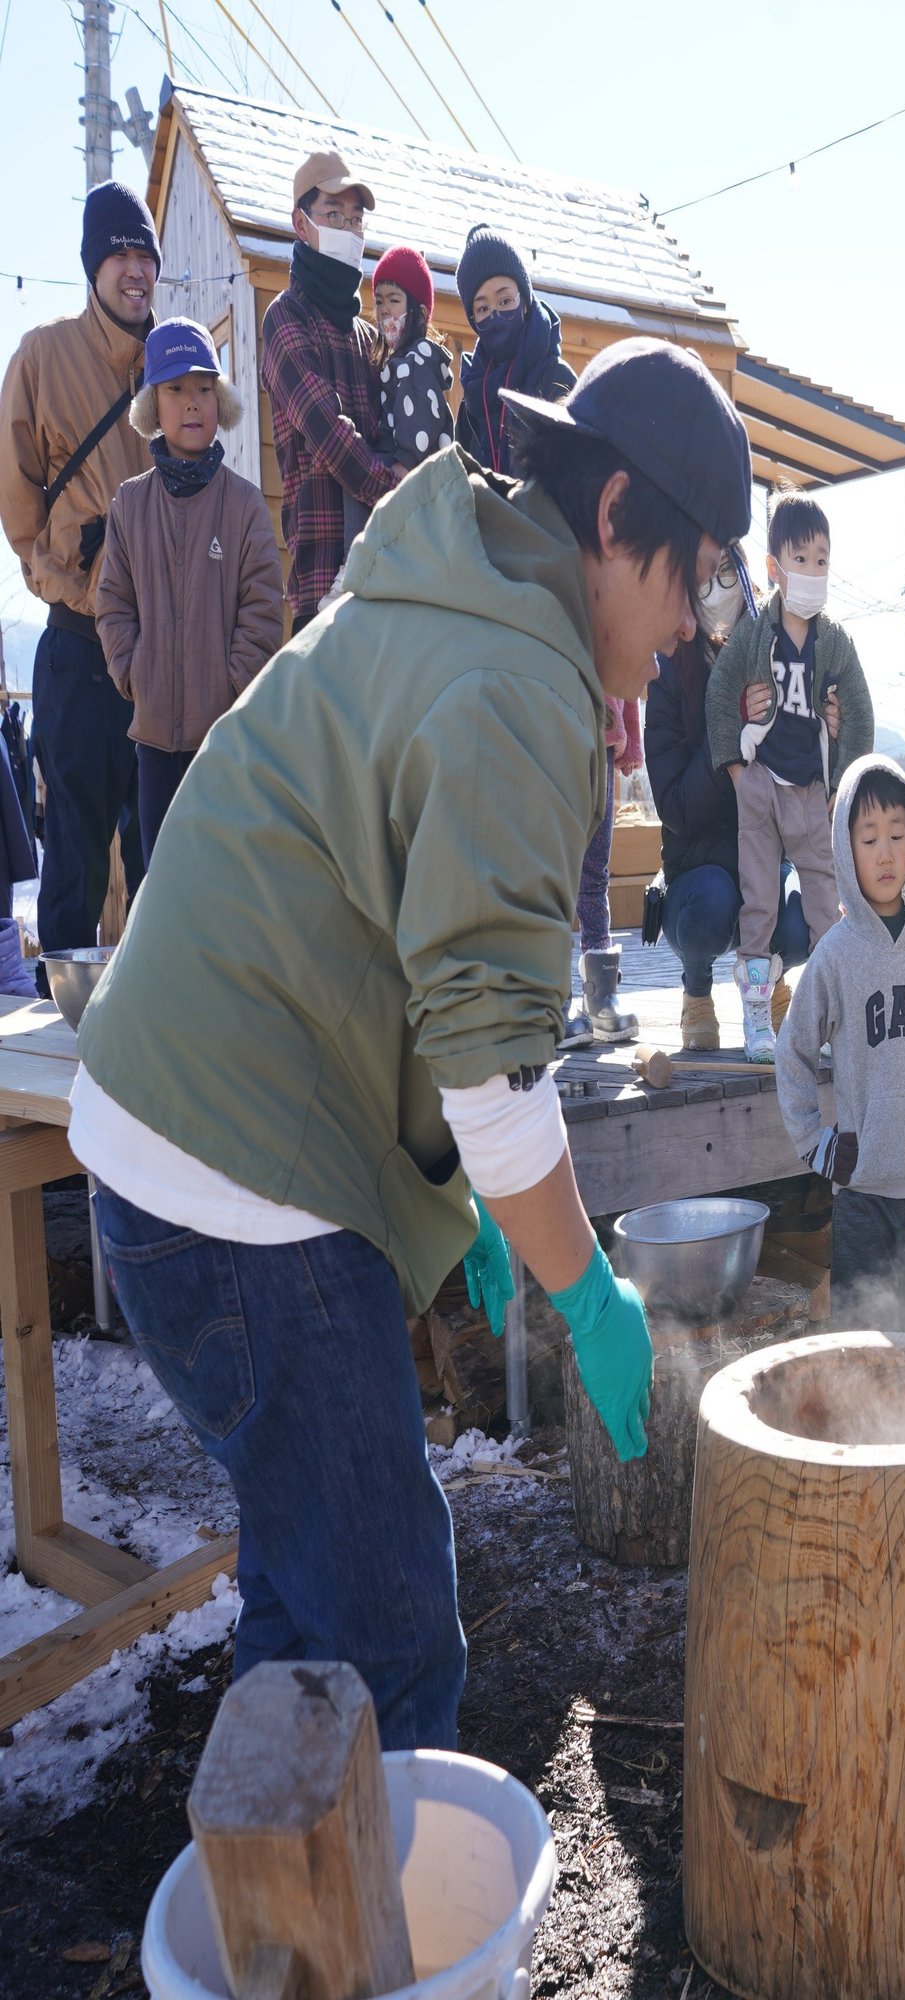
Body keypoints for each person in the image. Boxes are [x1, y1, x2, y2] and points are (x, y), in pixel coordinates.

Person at [69, 338, 753, 1749]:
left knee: (305, 1593)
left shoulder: (455, 584)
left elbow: (395, 927)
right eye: (696, 577)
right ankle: (387, 1893)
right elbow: (494, 1078)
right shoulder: (520, 682)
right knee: (388, 1641)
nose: (694, 626)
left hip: (169, 1128)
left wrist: (467, 1199)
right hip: (240, 1182)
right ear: (614, 514)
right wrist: (589, 1291)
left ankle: (272, 1873)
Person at [0, 181, 158, 951]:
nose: (135, 269)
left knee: (160, 854)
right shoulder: (44, 353)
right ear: (94, 263)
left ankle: (155, 1004)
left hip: (160, 654)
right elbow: (17, 491)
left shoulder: (174, 359)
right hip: (79, 640)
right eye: (119, 253)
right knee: (74, 862)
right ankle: (62, 1004)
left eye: (145, 254)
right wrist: (61, 575)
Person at [774, 755, 905, 1336]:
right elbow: (792, 1053)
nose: (885, 854)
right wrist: (815, 1143)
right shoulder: (835, 955)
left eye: (897, 834)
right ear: (847, 851)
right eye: (869, 839)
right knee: (860, 1352)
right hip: (860, 1195)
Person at [95, 320, 282, 864]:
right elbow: (113, 603)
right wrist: (134, 672)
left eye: (204, 387)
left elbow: (264, 609)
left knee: (219, 882)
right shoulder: (130, 504)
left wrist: (231, 685)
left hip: (223, 742)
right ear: (153, 405)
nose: (192, 402)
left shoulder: (244, 504)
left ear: (220, 400)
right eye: (175, 388)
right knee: (159, 879)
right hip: (152, 742)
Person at [705, 494, 874, 1060]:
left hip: (811, 794)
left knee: (829, 908)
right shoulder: (756, 631)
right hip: (761, 786)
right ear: (774, 567)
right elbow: (720, 693)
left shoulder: (835, 640)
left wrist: (841, 784)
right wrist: (737, 770)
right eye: (801, 559)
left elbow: (860, 711)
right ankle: (757, 1020)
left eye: (822, 560)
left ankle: (830, 1021)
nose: (812, 571)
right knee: (759, 904)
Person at [642, 546, 809, 1050]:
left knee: (802, 917)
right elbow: (675, 807)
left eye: (725, 573)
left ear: (744, 573)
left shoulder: (777, 651)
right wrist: (729, 731)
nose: (716, 590)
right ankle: (696, 991)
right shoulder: (669, 665)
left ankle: (772, 980)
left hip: (766, 857)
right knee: (711, 906)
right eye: (701, 578)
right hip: (697, 869)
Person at [262, 149, 404, 625]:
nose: (349, 229)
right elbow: (329, 433)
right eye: (334, 215)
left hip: (385, 584)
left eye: (356, 219)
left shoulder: (368, 336)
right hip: (322, 587)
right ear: (301, 224)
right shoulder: (285, 317)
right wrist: (400, 490)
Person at [454, 224, 576, 476]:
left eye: (505, 301)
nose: (496, 315)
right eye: (482, 309)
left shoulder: (557, 380)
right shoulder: (473, 397)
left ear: (525, 302)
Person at [561, 688, 645, 1048]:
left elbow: (627, 662)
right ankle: (550, 996)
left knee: (595, 870)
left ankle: (600, 995)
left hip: (604, 730)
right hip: (553, 723)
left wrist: (631, 737)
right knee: (553, 866)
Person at [368, 246, 455, 471]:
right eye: (379, 301)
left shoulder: (416, 362)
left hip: (410, 477)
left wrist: (403, 464)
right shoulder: (400, 361)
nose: (384, 310)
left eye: (394, 300)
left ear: (421, 314)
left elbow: (420, 422)